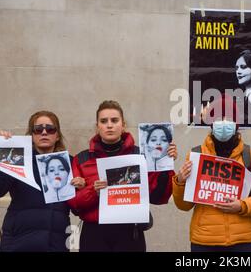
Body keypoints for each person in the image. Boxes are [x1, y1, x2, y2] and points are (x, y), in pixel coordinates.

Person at [67, 100, 177, 252]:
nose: (109, 125)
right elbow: (74, 206)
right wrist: (94, 192)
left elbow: (158, 196)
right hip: (94, 234)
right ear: (97, 126)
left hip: (130, 233)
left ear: (123, 125)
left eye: (114, 120)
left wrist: (165, 164)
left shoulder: (141, 155)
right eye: (104, 121)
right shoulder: (82, 159)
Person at [172, 93, 251, 252]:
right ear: (211, 123)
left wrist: (242, 205)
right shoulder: (196, 155)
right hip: (204, 242)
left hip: (241, 243)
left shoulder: (250, 155)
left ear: (237, 124)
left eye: (229, 118)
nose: (224, 123)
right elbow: (183, 205)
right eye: (219, 118)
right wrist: (180, 181)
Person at [0, 111, 85, 252]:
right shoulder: (17, 158)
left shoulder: (70, 162)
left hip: (56, 242)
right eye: (38, 129)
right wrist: (3, 154)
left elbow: (77, 209)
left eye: (50, 129)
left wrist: (81, 188)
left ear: (57, 136)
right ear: (32, 135)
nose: (44, 132)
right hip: (18, 242)